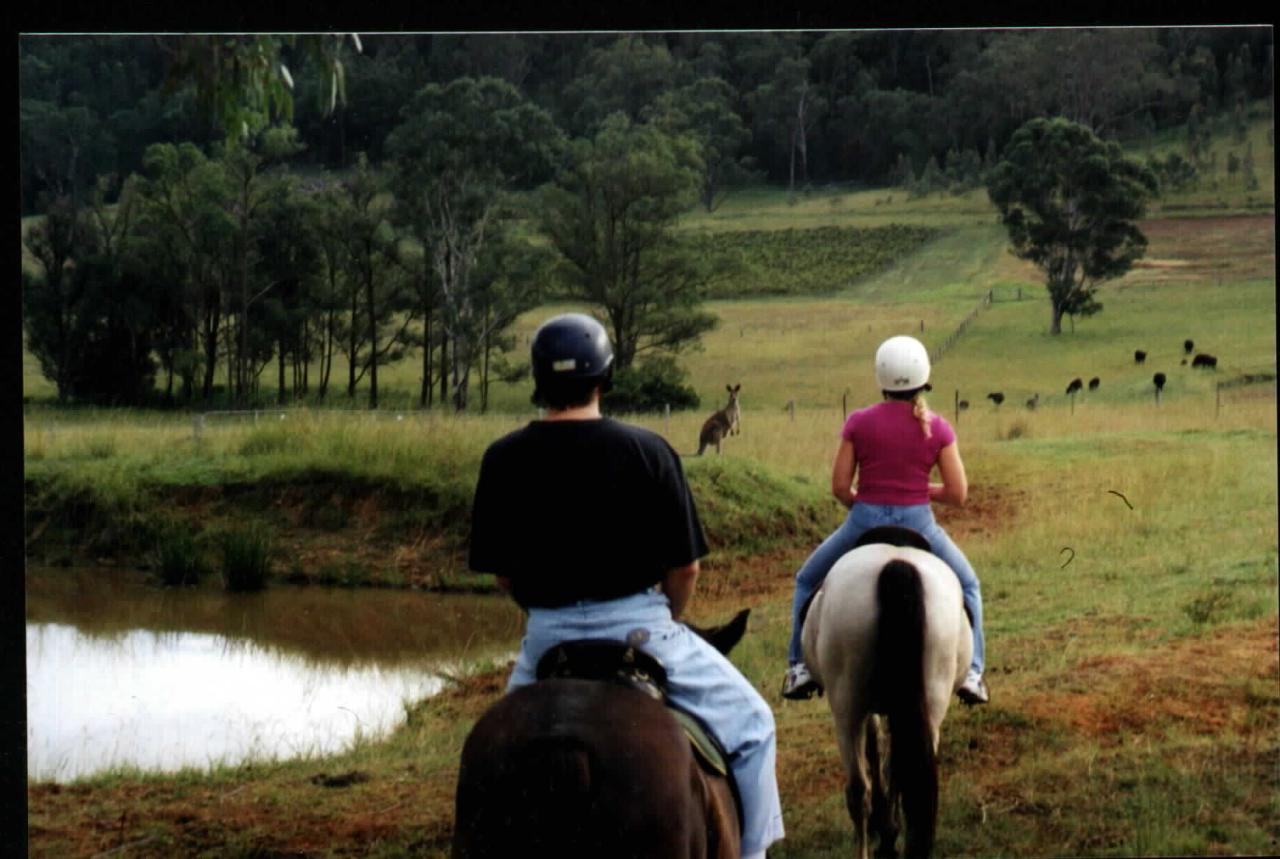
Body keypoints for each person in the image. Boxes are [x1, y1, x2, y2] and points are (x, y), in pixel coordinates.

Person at [468, 312, 785, 859]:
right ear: (605, 377)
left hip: (547, 636)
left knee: (487, 759)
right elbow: (685, 570)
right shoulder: (649, 450)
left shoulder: (502, 459)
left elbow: (503, 573)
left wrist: (548, 612)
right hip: (643, 632)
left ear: (539, 382)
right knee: (756, 727)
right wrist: (669, 617)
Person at [780, 335, 989, 705]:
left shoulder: (858, 422)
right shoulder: (938, 428)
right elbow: (958, 493)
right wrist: (922, 492)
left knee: (806, 579)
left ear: (882, 379)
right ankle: (973, 672)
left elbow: (840, 488)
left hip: (864, 521)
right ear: (924, 379)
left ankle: (798, 666)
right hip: (920, 524)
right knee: (969, 585)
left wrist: (867, 502)